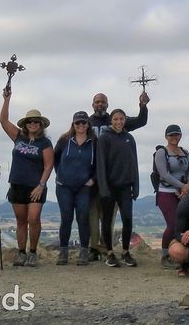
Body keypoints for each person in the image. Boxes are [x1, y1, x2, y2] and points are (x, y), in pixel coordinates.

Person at [0, 89, 54, 267]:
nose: (32, 124)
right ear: (26, 124)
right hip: (17, 185)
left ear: (41, 124)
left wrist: (41, 185)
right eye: (29, 121)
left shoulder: (45, 143)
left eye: (35, 121)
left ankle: (32, 252)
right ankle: (21, 253)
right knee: (21, 221)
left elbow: (48, 165)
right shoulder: (18, 137)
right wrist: (7, 100)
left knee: (33, 219)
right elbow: (3, 121)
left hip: (36, 186)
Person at [95, 91, 150, 268]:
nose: (119, 122)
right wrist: (103, 187)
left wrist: (136, 186)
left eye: (121, 119)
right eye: (116, 119)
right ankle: (110, 253)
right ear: (111, 121)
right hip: (109, 187)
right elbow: (100, 165)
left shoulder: (129, 138)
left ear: (125, 120)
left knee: (127, 219)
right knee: (108, 220)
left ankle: (126, 251)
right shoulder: (104, 138)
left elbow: (134, 162)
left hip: (126, 186)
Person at [53, 111, 97, 266]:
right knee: (66, 218)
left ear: (88, 124)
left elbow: (100, 163)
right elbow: (55, 158)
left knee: (83, 218)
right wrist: (60, 175)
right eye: (78, 123)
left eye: (84, 122)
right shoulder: (64, 140)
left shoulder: (94, 142)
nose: (81, 125)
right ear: (73, 124)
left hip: (84, 187)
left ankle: (83, 252)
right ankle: (63, 252)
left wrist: (93, 179)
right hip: (64, 187)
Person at [154, 124, 189, 268]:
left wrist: (188, 185)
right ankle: (165, 256)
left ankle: (177, 254)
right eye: (171, 135)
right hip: (166, 193)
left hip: (183, 193)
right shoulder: (162, 153)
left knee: (182, 224)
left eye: (177, 134)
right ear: (166, 137)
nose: (174, 137)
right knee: (172, 224)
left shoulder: (185, 153)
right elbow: (164, 174)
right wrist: (183, 186)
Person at [86, 92, 111, 261]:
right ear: (92, 104)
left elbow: (140, 121)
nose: (100, 104)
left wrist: (143, 106)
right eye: (97, 102)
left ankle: (106, 247)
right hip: (90, 176)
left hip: (110, 177)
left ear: (107, 104)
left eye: (103, 102)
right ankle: (93, 248)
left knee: (108, 215)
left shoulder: (116, 120)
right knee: (92, 215)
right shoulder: (86, 123)